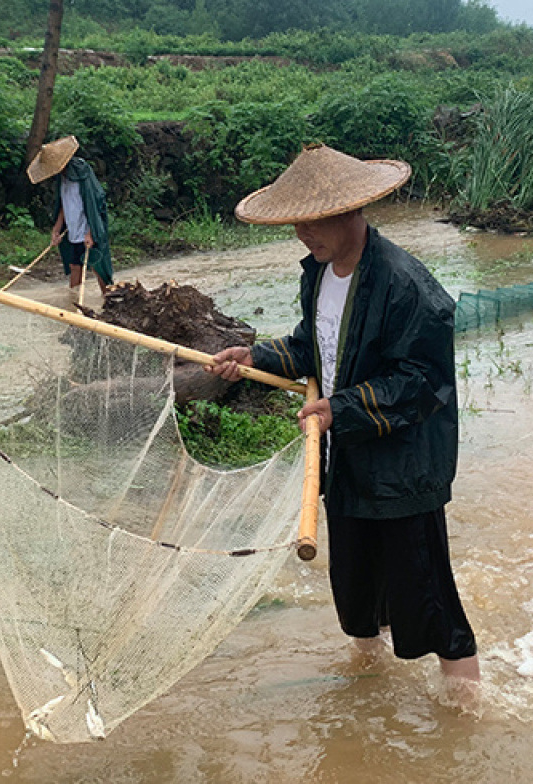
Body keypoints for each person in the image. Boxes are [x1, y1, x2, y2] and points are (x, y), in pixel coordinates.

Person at [205, 144, 480, 699]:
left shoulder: (407, 285)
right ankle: (367, 683)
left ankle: (466, 707)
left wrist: (342, 408)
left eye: (314, 222)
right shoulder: (320, 273)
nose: (304, 235)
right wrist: (254, 357)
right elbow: (315, 347)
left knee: (425, 592)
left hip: (402, 468)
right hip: (348, 459)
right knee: (356, 587)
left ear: (352, 211)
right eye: (297, 224)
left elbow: (422, 380)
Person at [27, 135, 114, 298]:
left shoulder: (82, 172)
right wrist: (57, 229)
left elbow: (93, 203)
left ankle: (108, 299)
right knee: (75, 265)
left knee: (97, 265)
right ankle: (73, 302)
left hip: (89, 226)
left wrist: (90, 232)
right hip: (73, 228)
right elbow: (63, 206)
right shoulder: (62, 177)